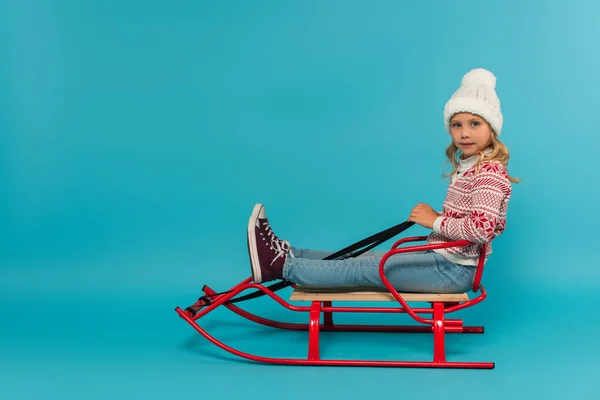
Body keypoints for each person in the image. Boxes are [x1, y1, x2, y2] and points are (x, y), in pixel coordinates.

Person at [246, 68, 519, 294]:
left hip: (452, 270)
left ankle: (280, 267)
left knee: (361, 269)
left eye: (475, 124)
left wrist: (433, 221)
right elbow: (472, 220)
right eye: (457, 125)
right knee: (361, 258)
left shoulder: (489, 173)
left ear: (491, 129)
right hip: (442, 258)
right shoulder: (470, 166)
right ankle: (289, 253)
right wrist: (439, 218)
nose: (464, 133)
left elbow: (481, 229)